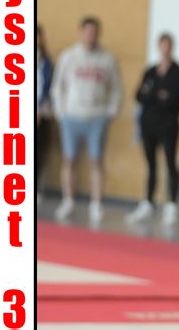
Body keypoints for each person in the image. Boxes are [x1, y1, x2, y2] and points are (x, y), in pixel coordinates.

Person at [50, 17, 123, 223]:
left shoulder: (107, 59)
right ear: (81, 32)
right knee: (69, 159)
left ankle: (96, 204)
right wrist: (60, 112)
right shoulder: (69, 56)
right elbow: (58, 86)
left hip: (97, 117)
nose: (91, 35)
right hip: (71, 115)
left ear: (99, 33)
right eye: (88, 31)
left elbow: (117, 89)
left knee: (96, 161)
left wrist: (111, 112)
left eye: (95, 32)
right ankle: (68, 201)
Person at [128, 34, 179, 227]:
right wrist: (157, 95)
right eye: (163, 45)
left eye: (168, 45)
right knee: (151, 164)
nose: (165, 49)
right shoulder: (151, 71)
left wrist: (153, 95)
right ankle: (148, 202)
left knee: (170, 163)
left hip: (168, 125)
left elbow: (172, 99)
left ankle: (171, 204)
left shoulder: (177, 72)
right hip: (149, 124)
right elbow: (139, 95)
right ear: (158, 47)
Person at [36, 25, 54, 201]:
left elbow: (46, 87)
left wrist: (39, 108)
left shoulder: (45, 61)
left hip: (40, 112)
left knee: (37, 151)